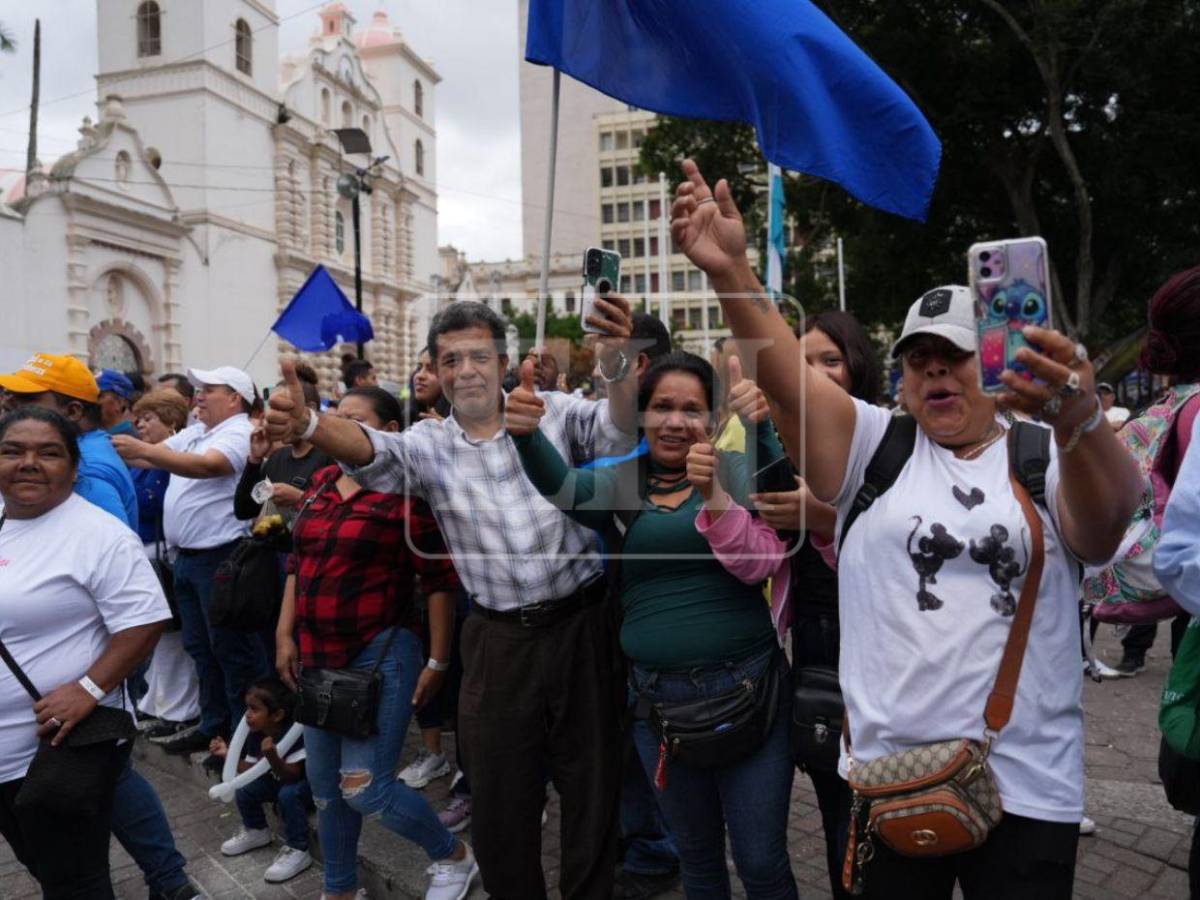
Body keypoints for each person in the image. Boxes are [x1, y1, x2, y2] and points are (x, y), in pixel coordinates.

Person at [669, 158, 1143, 897]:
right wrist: (732, 271)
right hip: (892, 780)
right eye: (917, 360)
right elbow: (789, 378)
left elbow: (1108, 526)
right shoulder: (875, 445)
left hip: (1026, 785)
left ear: (990, 362)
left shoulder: (1043, 451)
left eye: (955, 356)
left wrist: (1077, 416)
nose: (935, 373)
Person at [265, 298, 639, 898]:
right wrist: (311, 425)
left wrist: (618, 364)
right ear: (436, 374)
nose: (466, 369)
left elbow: (619, 426)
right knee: (498, 799)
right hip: (496, 640)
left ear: (503, 361)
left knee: (591, 790)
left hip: (581, 627)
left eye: (478, 355)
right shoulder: (427, 445)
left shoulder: (557, 413)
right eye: (450, 359)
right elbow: (368, 449)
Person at [508, 350, 797, 898]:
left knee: (761, 861)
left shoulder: (732, 471)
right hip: (658, 708)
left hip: (752, 693)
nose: (676, 420)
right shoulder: (622, 482)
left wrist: (761, 428)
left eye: (693, 409)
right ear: (642, 415)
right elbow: (561, 487)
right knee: (697, 859)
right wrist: (525, 436)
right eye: (662, 406)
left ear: (713, 421)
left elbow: (776, 499)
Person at [0, 360, 200, 900]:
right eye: (12, 449)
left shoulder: (93, 514)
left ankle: (172, 881)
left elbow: (139, 614)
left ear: (72, 461)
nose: (28, 463)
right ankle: (171, 881)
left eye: (47, 451)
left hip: (52, 748)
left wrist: (89, 689)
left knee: (76, 878)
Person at [274, 385, 475, 900]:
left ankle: (453, 856)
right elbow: (299, 561)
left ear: (386, 435)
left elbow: (438, 582)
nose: (338, 429)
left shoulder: (407, 495)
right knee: (326, 793)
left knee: (366, 790)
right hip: (317, 657)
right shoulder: (319, 483)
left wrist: (438, 659)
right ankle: (340, 889)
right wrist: (284, 633)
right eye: (336, 417)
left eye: (354, 420)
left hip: (379, 653)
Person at [746, 310, 880, 899]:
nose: (819, 372)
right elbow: (752, 552)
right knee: (838, 804)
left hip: (882, 634)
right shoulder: (778, 444)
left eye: (832, 359)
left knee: (892, 797)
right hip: (818, 641)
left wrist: (824, 519)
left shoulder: (892, 441)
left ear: (858, 367)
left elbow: (897, 550)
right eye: (804, 362)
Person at [114, 366, 268, 758]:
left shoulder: (238, 431)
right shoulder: (200, 431)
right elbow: (159, 459)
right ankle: (213, 724)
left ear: (235, 397)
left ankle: (242, 737)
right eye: (198, 389)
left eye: (209, 389)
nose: (198, 395)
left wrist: (144, 450)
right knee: (201, 648)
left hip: (221, 557)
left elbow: (211, 466)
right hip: (189, 559)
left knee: (231, 652)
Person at [130, 390, 202, 741]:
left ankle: (180, 709)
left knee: (174, 639)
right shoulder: (146, 460)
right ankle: (157, 703)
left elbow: (151, 503)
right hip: (144, 553)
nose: (141, 425)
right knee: (157, 640)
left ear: (172, 422)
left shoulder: (172, 458)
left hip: (163, 556)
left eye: (150, 419)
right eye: (139, 419)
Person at [0, 353, 139, 530]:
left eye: (27, 397)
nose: (8, 401)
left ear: (73, 411)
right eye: (9, 393)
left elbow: (107, 547)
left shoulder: (86, 472)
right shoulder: (82, 450)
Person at [211, 677, 313, 885]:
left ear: (276, 715)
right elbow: (251, 771)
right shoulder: (257, 732)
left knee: (288, 794)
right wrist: (227, 754)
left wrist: (273, 757)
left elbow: (291, 775)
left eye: (254, 709)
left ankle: (298, 849)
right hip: (276, 779)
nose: (247, 715)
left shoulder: (293, 735)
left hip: (304, 786)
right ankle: (257, 830)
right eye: (247, 708)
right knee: (246, 790)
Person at [233, 364, 331, 524]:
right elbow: (245, 510)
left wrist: (299, 498)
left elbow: (339, 516)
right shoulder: (277, 458)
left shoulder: (330, 458)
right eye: (273, 409)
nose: (274, 418)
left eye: (283, 409)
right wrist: (254, 460)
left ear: (310, 409)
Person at [97, 369, 138, 435]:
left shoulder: (128, 438)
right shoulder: (95, 433)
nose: (94, 401)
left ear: (120, 402)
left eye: (100, 396)